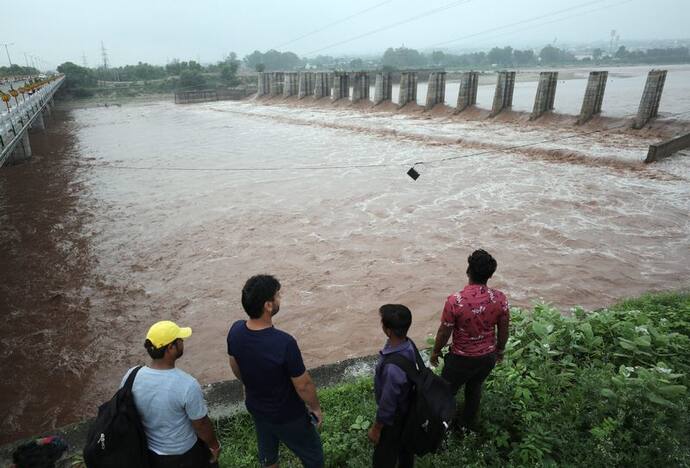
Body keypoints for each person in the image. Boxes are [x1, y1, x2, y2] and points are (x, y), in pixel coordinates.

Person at [227, 274, 324, 468]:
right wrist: (315, 408)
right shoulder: (284, 343)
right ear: (268, 305)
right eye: (277, 296)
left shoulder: (236, 330)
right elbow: (303, 385)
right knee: (313, 456)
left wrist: (248, 384)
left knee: (268, 454)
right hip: (288, 415)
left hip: (256, 407)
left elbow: (234, 365)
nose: (279, 299)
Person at [121, 320, 221, 468]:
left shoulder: (131, 375)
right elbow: (201, 425)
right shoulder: (187, 384)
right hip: (184, 455)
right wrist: (214, 446)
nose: (182, 342)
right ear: (170, 348)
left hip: (148, 452)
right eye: (180, 340)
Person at [430, 249, 510, 432]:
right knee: (474, 388)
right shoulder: (500, 299)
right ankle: (466, 426)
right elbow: (504, 329)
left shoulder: (455, 301)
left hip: (461, 360)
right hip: (487, 358)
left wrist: (435, 352)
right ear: (490, 275)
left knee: (446, 392)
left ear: (468, 271)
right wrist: (500, 350)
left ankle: (439, 429)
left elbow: (444, 332)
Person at [368, 304, 416, 468]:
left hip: (395, 417)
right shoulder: (408, 345)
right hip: (407, 406)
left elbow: (388, 404)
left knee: (383, 456)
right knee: (405, 447)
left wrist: (377, 428)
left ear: (388, 330)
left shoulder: (392, 369)